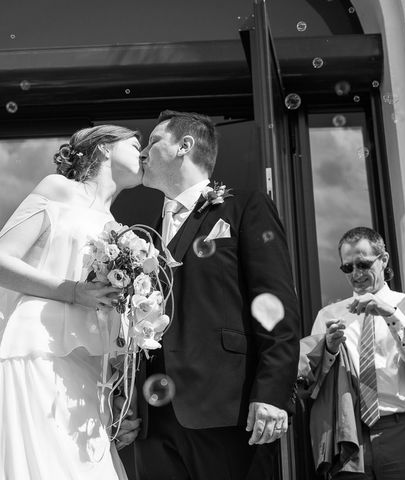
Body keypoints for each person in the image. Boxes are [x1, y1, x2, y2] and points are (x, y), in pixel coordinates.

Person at [0, 125, 142, 479]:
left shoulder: (117, 226)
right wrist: (72, 291)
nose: (142, 151)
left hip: (87, 367)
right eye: (135, 143)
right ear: (104, 150)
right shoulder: (59, 190)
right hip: (38, 350)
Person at [132, 110, 301, 480]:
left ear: (184, 147)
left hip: (227, 409)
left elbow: (275, 306)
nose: (142, 153)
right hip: (153, 421)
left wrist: (271, 394)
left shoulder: (245, 208)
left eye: (153, 141)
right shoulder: (141, 235)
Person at [309, 226, 405, 479]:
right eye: (348, 268)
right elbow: (313, 385)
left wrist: (390, 313)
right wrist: (330, 351)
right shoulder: (329, 315)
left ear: (384, 259)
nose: (356, 274)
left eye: (363, 264)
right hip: (348, 436)